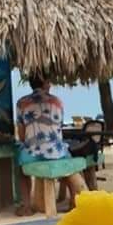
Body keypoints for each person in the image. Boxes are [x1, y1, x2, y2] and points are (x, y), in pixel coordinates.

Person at [15, 72, 71, 216]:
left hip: (32, 154)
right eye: (49, 82)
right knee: (69, 160)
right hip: (56, 152)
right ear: (45, 83)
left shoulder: (21, 103)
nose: (50, 85)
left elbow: (21, 135)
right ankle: (74, 199)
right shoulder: (57, 101)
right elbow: (59, 127)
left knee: (20, 170)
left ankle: (26, 206)